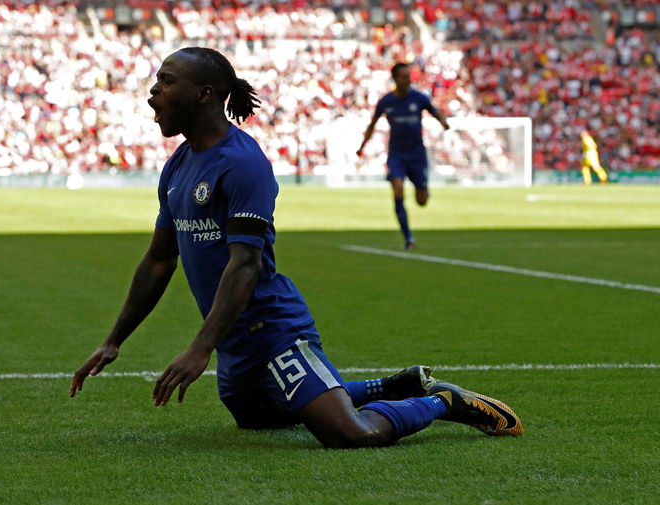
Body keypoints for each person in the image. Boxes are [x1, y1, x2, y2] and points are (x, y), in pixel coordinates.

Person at [69, 47, 523, 448]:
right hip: (235, 342)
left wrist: (200, 346)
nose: (153, 92)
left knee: (349, 433)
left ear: (205, 94)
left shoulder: (242, 162)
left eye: (166, 82)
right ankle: (393, 385)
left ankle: (441, 401)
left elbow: (245, 267)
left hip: (273, 329)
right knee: (260, 420)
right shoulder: (178, 166)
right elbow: (159, 260)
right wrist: (114, 341)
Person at [357, 62, 450, 250]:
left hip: (417, 154)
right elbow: (372, 124)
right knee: (397, 190)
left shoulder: (419, 98)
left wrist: (443, 122)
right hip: (397, 154)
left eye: (409, 76)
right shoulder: (386, 102)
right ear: (395, 79)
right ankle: (409, 238)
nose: (408, 80)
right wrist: (362, 147)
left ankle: (423, 187)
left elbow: (434, 111)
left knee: (421, 201)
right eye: (404, 77)